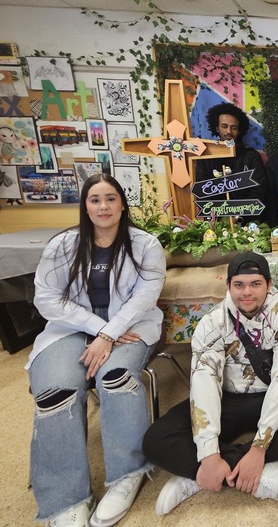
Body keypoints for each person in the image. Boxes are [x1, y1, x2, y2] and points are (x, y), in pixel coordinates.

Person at [28, 174, 166, 527]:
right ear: (85, 206)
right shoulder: (62, 246)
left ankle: (126, 473)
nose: (103, 206)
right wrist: (99, 330)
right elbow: (47, 299)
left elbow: (144, 297)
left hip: (129, 328)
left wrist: (110, 333)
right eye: (95, 200)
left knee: (115, 378)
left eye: (110, 199)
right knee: (55, 392)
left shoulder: (145, 244)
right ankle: (66, 498)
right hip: (70, 328)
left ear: (122, 204)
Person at [142, 251, 278, 516]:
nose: (246, 292)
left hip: (270, 394)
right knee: (155, 440)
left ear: (269, 284)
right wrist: (208, 454)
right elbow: (204, 382)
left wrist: (259, 447)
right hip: (227, 398)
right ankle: (246, 469)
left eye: (255, 284)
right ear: (228, 286)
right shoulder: (212, 323)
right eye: (239, 285)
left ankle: (204, 472)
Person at [194, 102, 268, 223]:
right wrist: (219, 218)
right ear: (217, 128)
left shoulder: (251, 156)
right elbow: (200, 190)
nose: (229, 131)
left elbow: (258, 190)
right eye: (224, 126)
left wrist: (238, 216)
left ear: (239, 130)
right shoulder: (206, 158)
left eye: (234, 127)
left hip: (247, 223)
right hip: (215, 223)